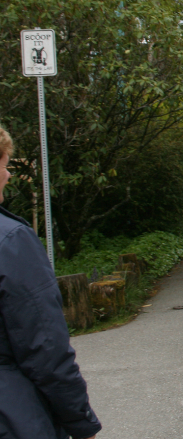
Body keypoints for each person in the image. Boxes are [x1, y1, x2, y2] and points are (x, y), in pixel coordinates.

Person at [0, 123, 102, 439]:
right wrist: (80, 421)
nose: (8, 176)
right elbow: (45, 349)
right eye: (4, 165)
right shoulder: (10, 243)